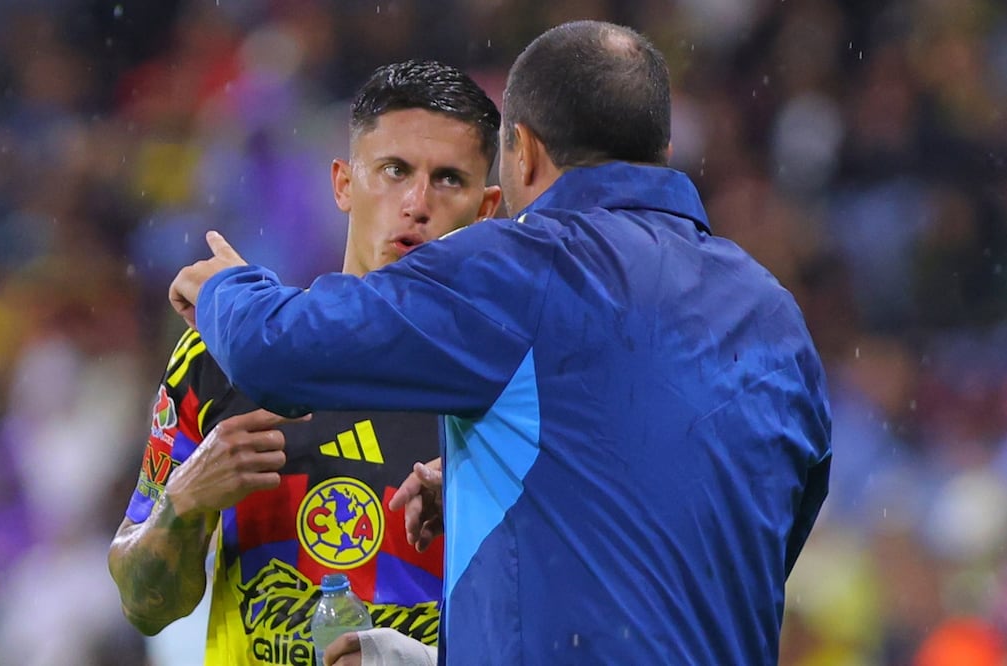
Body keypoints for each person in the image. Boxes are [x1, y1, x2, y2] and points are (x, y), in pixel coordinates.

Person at [170, 20, 833, 665]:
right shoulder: (773, 312)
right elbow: (737, 535)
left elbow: (274, 353)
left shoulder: (520, 268)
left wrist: (225, 290)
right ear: (661, 149)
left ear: (522, 150)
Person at [108, 59, 502, 666]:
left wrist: (488, 508)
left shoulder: (508, 387)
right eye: (394, 171)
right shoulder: (220, 358)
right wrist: (186, 499)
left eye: (448, 179)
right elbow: (144, 603)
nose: (417, 203)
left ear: (487, 209)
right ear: (343, 183)